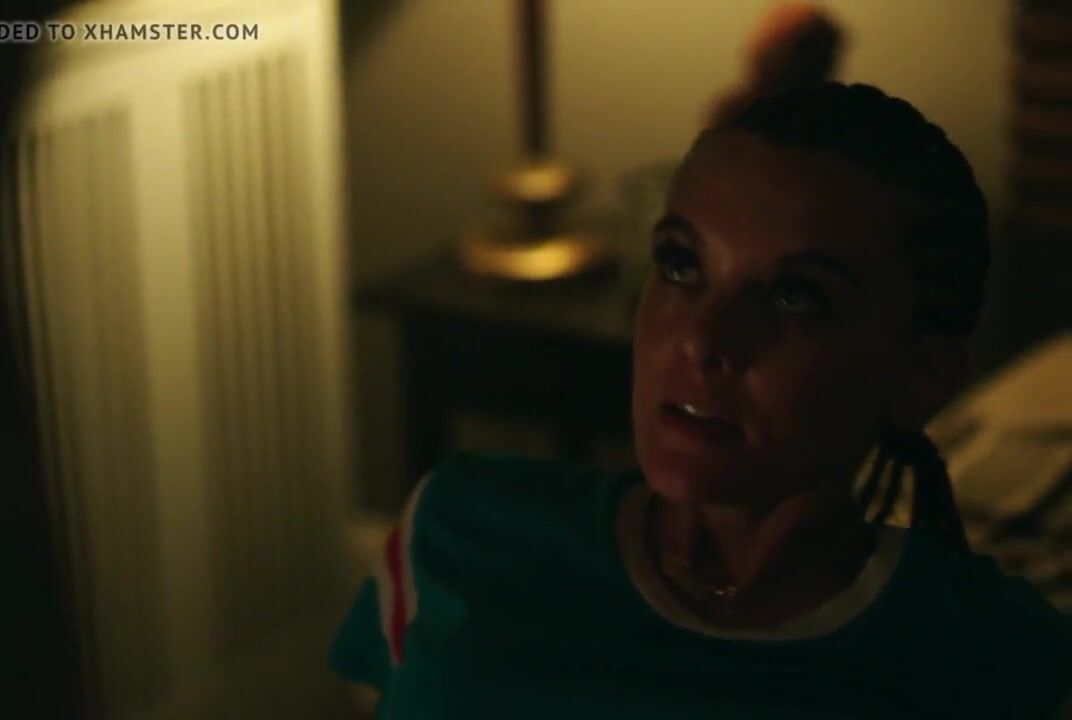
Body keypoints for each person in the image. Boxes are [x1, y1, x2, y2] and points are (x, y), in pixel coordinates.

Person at [328, 82, 1071, 718]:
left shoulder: (1003, 663)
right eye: (682, 264)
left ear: (919, 378)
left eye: (795, 296)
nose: (703, 338)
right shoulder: (461, 529)